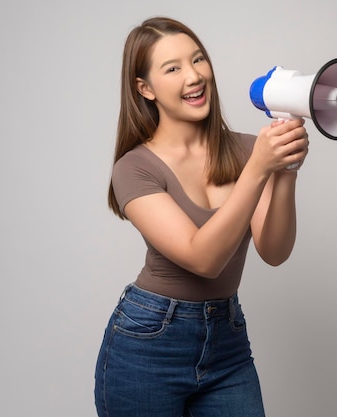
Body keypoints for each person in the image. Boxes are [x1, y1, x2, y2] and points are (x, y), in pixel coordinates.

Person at [94, 16, 309, 417]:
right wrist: (260, 169)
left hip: (226, 343)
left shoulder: (249, 150)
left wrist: (286, 171)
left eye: (198, 60)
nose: (193, 76)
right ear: (145, 88)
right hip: (148, 344)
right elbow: (204, 259)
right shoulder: (134, 168)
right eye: (172, 68)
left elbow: (274, 250)